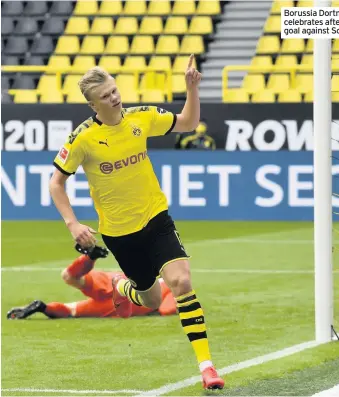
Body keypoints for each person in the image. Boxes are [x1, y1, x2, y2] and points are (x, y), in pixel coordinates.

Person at [48, 55, 224, 390]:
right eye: (106, 96)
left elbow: (187, 122)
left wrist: (191, 88)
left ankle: (207, 367)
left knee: (181, 282)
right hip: (119, 233)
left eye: (114, 90)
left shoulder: (141, 117)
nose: (114, 97)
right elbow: (56, 182)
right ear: (93, 103)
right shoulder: (82, 139)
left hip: (155, 218)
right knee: (154, 300)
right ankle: (121, 288)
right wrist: (73, 224)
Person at [6, 245, 176, 320]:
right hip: (121, 304)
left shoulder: (158, 279)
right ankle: (44, 307)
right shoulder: (171, 287)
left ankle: (89, 257)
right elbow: (166, 309)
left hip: (116, 281)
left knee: (69, 277)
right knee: (71, 310)